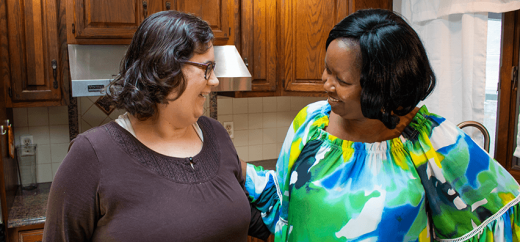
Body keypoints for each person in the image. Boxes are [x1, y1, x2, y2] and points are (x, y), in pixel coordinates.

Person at [244, 9, 520, 241]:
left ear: (381, 88)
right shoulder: (311, 121)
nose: (325, 83)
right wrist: (232, 164)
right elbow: (283, 195)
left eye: (341, 80)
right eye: (327, 69)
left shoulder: (434, 140)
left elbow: (498, 216)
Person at [43, 11, 270, 241]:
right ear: (165, 70)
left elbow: (243, 217)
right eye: (207, 68)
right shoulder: (90, 155)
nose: (214, 80)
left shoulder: (216, 134)